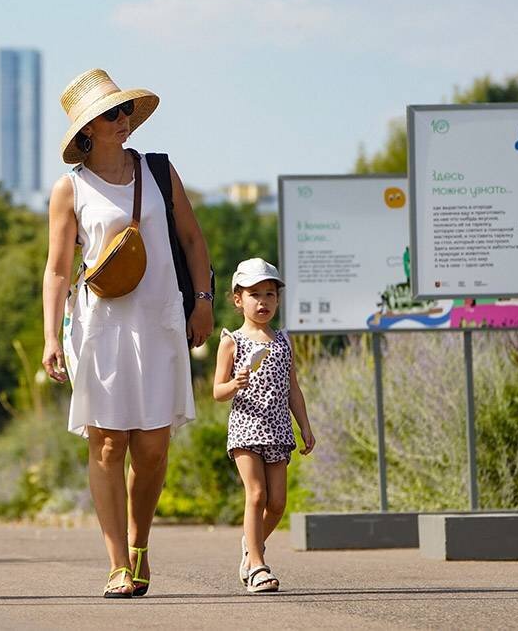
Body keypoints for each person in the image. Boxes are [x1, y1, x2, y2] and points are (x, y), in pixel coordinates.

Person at [42, 69, 214, 598]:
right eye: (111, 114)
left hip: (159, 320)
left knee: (154, 447)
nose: (122, 121)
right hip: (100, 326)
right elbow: (56, 269)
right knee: (108, 443)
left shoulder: (159, 171)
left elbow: (191, 238)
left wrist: (203, 301)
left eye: (124, 112)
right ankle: (118, 561)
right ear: (88, 128)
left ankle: (140, 542)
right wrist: (51, 337)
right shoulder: (70, 188)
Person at [212, 258, 315, 594]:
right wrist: (235, 383)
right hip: (246, 427)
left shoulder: (283, 341)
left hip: (278, 428)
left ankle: (250, 544)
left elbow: (293, 389)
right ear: (238, 299)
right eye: (254, 294)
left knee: (278, 503)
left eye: (270, 294)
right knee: (256, 495)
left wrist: (305, 427)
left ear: (278, 299)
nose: (263, 302)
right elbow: (217, 392)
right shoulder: (232, 341)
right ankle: (257, 565)